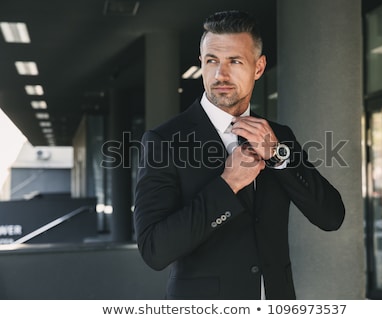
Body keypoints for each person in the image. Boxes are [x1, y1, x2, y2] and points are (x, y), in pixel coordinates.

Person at [134, 10, 345, 300]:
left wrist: (279, 157)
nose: (221, 74)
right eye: (212, 61)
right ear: (202, 64)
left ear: (258, 68)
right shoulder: (165, 141)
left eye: (234, 61)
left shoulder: (278, 136)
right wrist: (227, 185)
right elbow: (154, 250)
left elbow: (331, 217)